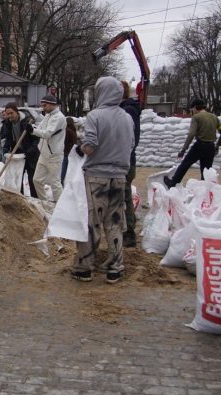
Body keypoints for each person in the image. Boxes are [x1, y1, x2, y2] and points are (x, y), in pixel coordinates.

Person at [71, 76, 134, 284]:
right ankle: (115, 268)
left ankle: (84, 267)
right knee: (115, 222)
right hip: (119, 177)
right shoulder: (127, 118)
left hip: (96, 177)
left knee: (92, 223)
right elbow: (132, 145)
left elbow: (90, 146)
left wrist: (78, 149)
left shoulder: (95, 116)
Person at [164, 98, 221, 187]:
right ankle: (205, 189)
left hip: (200, 145)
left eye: (192, 109)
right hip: (211, 147)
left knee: (185, 164)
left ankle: (173, 183)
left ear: (195, 107)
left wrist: (183, 149)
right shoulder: (214, 117)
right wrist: (217, 146)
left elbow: (191, 134)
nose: (192, 111)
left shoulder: (196, 117)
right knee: (206, 171)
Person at [27, 94, 65, 202]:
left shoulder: (59, 117)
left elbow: (47, 133)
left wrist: (33, 131)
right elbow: (40, 128)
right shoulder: (48, 115)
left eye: (45, 105)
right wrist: (32, 127)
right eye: (42, 105)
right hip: (43, 154)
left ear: (52, 104)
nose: (43, 107)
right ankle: (44, 202)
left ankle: (60, 206)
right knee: (37, 180)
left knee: (55, 183)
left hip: (54, 155)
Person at [0, 103, 39, 198]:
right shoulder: (8, 124)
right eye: (7, 114)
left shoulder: (28, 122)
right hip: (18, 154)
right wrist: (5, 150)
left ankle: (35, 200)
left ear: (17, 112)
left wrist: (29, 152)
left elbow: (36, 140)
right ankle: (19, 198)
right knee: (18, 178)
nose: (9, 116)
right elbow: (9, 139)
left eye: (11, 113)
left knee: (32, 179)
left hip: (30, 155)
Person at [119, 80, 141, 247]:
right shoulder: (125, 109)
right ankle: (122, 228)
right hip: (121, 160)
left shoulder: (128, 111)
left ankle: (129, 233)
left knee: (125, 196)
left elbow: (131, 140)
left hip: (124, 162)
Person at [60, 117, 77, 186]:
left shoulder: (67, 131)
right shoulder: (73, 130)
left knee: (63, 172)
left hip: (66, 153)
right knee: (69, 172)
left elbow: (64, 142)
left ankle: (62, 185)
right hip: (72, 154)